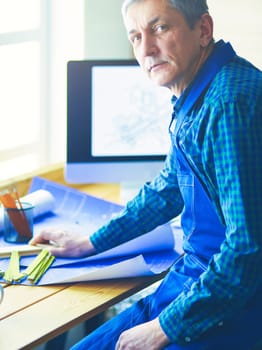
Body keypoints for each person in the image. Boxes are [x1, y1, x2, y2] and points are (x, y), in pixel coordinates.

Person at [30, 0, 262, 349]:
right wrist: (91, 241)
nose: (146, 49)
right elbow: (167, 189)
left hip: (230, 304)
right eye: (136, 37)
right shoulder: (200, 91)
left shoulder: (226, 105)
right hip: (195, 283)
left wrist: (162, 329)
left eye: (159, 28)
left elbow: (246, 251)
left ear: (203, 30)